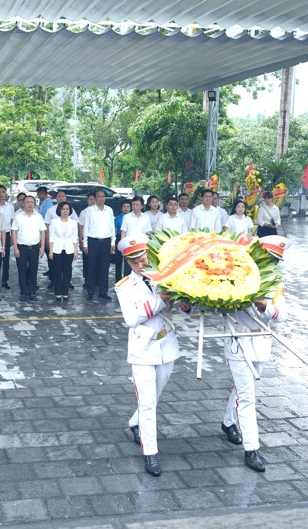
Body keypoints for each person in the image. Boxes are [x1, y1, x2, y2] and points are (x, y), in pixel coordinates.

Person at [115, 233, 193, 477]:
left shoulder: (164, 276)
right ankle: (150, 453)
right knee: (148, 402)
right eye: (133, 260)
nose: (140, 263)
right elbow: (131, 318)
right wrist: (161, 299)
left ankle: (134, 423)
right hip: (142, 350)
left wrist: (187, 305)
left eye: (142, 257)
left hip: (166, 345)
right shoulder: (125, 286)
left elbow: (183, 308)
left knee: (154, 397)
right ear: (127, 261)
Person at [222, 235, 289, 473]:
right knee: (248, 397)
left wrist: (266, 307)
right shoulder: (236, 274)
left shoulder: (275, 283)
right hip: (238, 342)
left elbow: (282, 314)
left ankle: (228, 422)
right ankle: (252, 449)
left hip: (261, 343)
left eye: (275, 260)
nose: (271, 264)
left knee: (242, 390)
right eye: (268, 258)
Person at [82, 190, 115, 301]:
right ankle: (90, 292)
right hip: (93, 242)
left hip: (106, 241)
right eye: (99, 197)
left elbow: (112, 227)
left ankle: (103, 292)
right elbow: (86, 228)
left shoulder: (109, 210)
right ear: (95, 199)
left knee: (105, 267)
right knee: (92, 267)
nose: (101, 198)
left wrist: (112, 242)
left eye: (103, 196)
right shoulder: (90, 211)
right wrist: (85, 243)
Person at [12, 196, 47, 302]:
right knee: (21, 270)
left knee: (33, 270)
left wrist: (42, 248)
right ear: (23, 203)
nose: (30, 204)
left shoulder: (38, 217)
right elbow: (14, 232)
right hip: (21, 247)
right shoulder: (18, 216)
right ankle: (23, 292)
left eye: (32, 202)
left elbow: (42, 232)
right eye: (27, 202)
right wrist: (15, 248)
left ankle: (32, 292)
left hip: (34, 247)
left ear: (35, 204)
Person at [48, 202, 78, 303]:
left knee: (67, 271)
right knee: (57, 271)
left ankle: (65, 293)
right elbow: (51, 237)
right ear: (59, 210)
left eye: (67, 209)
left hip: (69, 249)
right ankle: (57, 292)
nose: (65, 211)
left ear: (70, 211)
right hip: (57, 249)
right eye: (63, 209)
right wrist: (51, 251)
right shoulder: (54, 222)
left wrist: (75, 251)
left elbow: (75, 238)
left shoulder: (73, 222)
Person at [0, 185, 15, 290]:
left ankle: (5, 280)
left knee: (6, 259)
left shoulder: (10, 206)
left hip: (6, 234)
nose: (1, 194)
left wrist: (12, 236)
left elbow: (12, 222)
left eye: (3, 192)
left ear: (5, 193)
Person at [113, 201, 132, 281]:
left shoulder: (132, 217)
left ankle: (127, 279)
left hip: (129, 240)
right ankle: (118, 280)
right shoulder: (117, 218)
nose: (126, 208)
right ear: (121, 208)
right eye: (124, 206)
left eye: (128, 206)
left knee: (128, 261)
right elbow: (115, 230)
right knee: (118, 261)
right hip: (119, 239)